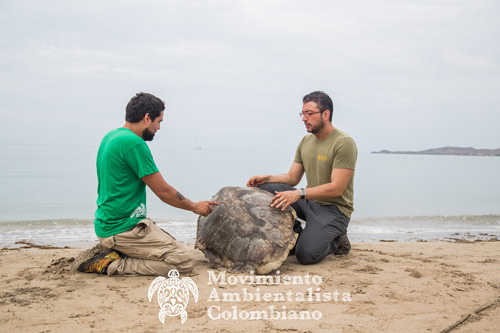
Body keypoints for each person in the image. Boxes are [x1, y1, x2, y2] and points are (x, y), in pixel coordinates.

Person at [78, 92, 218, 276]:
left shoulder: (112, 136)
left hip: (116, 223)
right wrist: (194, 207)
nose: (159, 127)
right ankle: (109, 264)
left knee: (172, 245)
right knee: (182, 263)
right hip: (120, 230)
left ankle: (116, 252)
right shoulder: (133, 143)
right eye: (159, 121)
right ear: (147, 118)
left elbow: (118, 186)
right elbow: (164, 192)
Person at [247, 91, 357, 265]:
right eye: (302, 113)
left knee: (305, 255)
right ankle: (295, 231)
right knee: (264, 189)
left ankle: (337, 240)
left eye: (309, 113)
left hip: (334, 210)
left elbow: (337, 188)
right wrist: (267, 178)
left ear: (326, 114)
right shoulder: (306, 141)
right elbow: (292, 178)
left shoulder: (343, 143)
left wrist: (299, 194)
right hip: (310, 202)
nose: (304, 118)